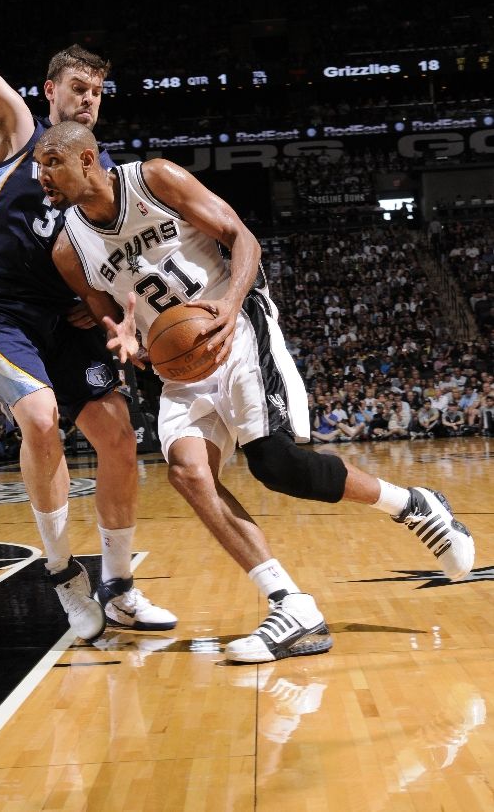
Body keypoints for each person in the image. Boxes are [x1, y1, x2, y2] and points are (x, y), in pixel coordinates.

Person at [34, 121, 475, 664]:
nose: (42, 174)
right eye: (37, 164)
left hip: (236, 327)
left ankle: (411, 504)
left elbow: (243, 237)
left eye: (51, 160)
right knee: (188, 474)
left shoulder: (153, 179)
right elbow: (104, 309)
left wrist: (232, 301)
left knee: (277, 466)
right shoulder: (67, 247)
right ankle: (291, 606)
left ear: (87, 160)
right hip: (178, 365)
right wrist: (120, 336)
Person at [0, 0, 176, 638]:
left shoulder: (98, 172)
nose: (88, 97)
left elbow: (116, 259)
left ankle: (121, 587)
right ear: (49, 89)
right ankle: (64, 575)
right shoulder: (14, 128)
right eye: (77, 86)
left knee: (121, 438)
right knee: (39, 421)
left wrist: (106, 311)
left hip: (62, 316)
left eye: (97, 90)